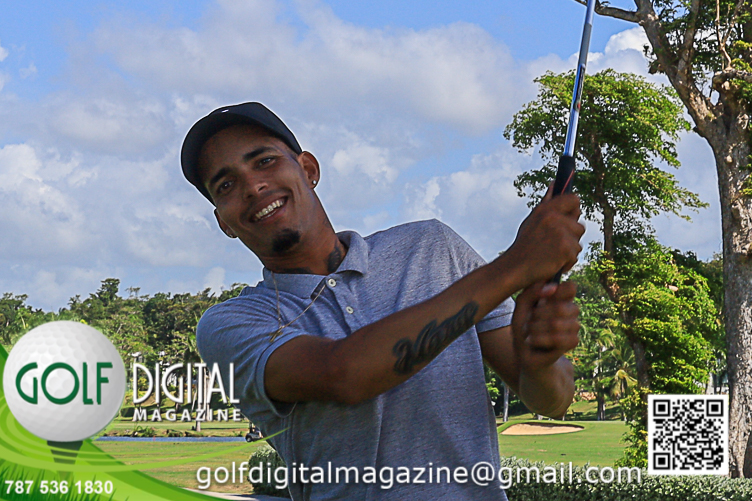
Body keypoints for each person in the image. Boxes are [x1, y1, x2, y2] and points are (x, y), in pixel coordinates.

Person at [181, 102, 584, 500]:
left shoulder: (432, 246)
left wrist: (539, 363)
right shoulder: (231, 324)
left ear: (308, 169)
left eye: (265, 161)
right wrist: (515, 265)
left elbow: (554, 399)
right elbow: (344, 375)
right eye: (226, 185)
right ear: (223, 222)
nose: (253, 186)